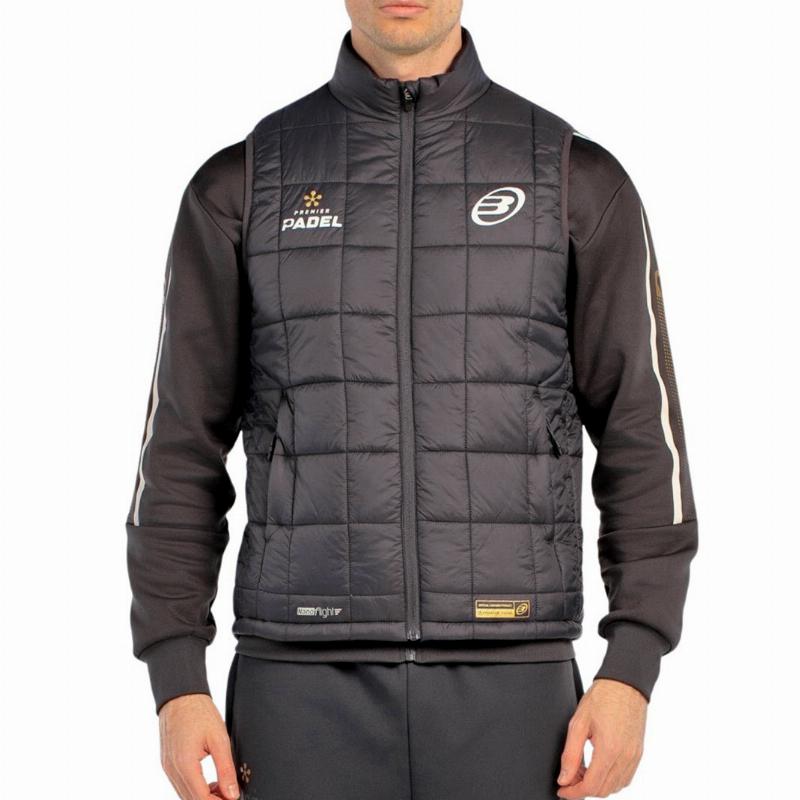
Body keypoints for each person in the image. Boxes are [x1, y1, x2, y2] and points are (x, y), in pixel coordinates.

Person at [125, 2, 699, 798]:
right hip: (298, 689)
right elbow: (180, 446)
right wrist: (177, 679)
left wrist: (632, 666)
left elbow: (642, 435)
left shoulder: (572, 176)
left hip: (516, 688)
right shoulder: (244, 183)